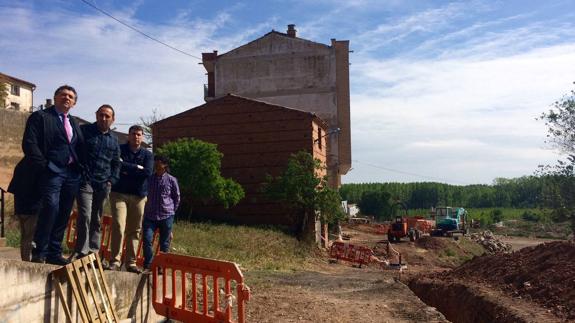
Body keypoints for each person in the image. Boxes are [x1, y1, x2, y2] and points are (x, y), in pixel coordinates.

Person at [13, 85, 85, 265]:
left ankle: (54, 252)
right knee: (51, 207)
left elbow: (79, 146)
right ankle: (40, 251)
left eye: (70, 96)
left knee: (64, 212)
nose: (66, 98)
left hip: (71, 173)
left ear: (74, 102)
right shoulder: (41, 117)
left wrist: (81, 168)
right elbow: (30, 144)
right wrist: (44, 166)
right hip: (51, 171)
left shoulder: (74, 122)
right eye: (63, 95)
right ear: (55, 98)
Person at [70, 105, 120, 260]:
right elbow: (73, 150)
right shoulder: (84, 131)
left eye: (107, 116)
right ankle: (81, 251)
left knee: (96, 218)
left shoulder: (114, 139)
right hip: (85, 181)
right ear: (96, 115)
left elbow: (116, 162)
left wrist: (112, 180)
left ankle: (93, 251)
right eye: (100, 115)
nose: (103, 118)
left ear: (113, 119)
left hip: (103, 184)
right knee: (84, 215)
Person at [107, 125, 153, 272]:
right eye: (133, 134)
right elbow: (116, 165)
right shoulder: (120, 149)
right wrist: (136, 168)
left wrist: (127, 168)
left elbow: (147, 172)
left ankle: (131, 263)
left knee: (135, 230)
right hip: (119, 193)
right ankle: (115, 260)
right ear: (128, 135)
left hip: (139, 196)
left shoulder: (147, 155)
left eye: (139, 134)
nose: (136, 137)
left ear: (142, 137)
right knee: (119, 226)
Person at [142, 155, 180, 271]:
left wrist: (172, 212)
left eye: (160, 162)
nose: (157, 164)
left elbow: (176, 197)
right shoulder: (149, 179)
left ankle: (162, 267)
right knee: (147, 239)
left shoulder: (171, 180)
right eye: (156, 162)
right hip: (150, 215)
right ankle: (148, 264)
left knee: (164, 243)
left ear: (165, 165)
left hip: (166, 215)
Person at [7, 159, 41, 261]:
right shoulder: (36, 165)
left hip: (21, 206)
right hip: (31, 207)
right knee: (29, 237)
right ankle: (27, 261)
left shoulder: (21, 164)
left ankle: (25, 260)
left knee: (25, 236)